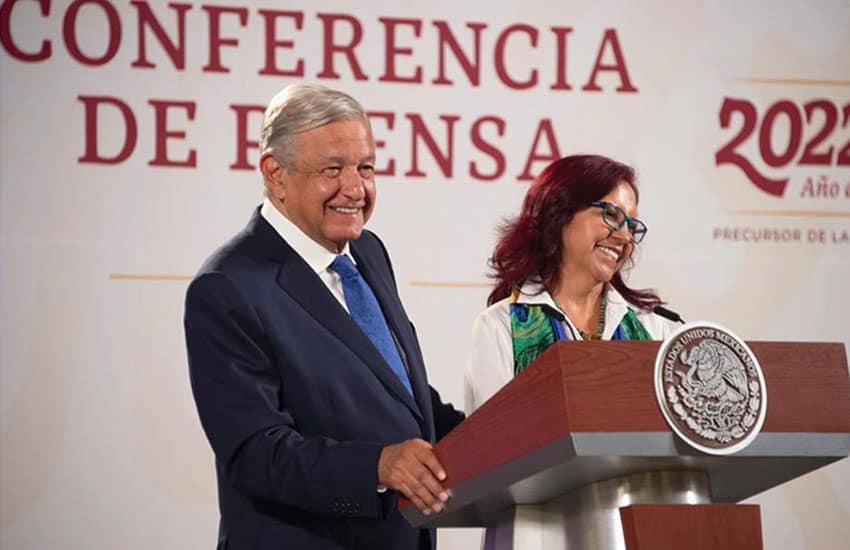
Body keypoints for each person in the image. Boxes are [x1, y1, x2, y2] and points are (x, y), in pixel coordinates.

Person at [184, 83, 464, 550]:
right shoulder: (228, 286)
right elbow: (256, 454)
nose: (355, 189)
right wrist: (378, 465)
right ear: (275, 174)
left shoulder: (368, 253)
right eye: (332, 169)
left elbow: (395, 393)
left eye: (366, 167)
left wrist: (506, 433)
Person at [464, 154, 677, 549]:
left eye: (632, 226)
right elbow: (496, 459)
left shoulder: (656, 331)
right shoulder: (502, 327)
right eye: (611, 216)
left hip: (636, 535)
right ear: (559, 211)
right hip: (537, 536)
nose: (624, 237)